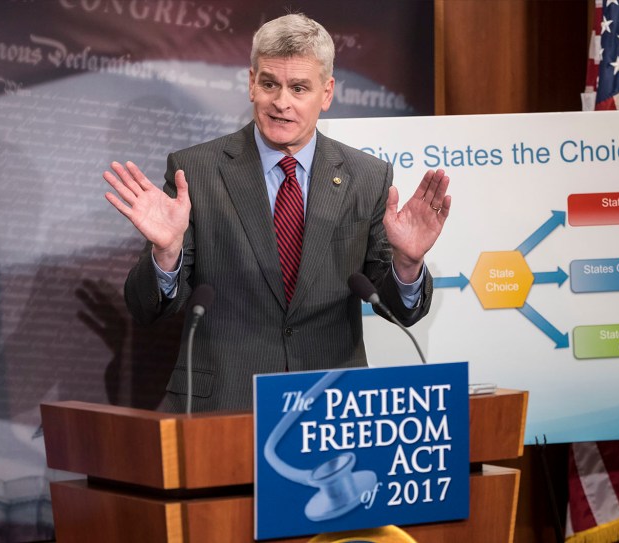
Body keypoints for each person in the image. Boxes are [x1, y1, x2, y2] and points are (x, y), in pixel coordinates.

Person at [103, 13, 451, 412]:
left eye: (299, 88)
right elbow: (148, 309)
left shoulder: (367, 177)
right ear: (252, 83)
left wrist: (407, 264)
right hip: (224, 406)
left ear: (327, 92)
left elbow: (399, 309)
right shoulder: (195, 171)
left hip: (330, 405)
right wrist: (165, 255)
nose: (280, 102)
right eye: (269, 83)